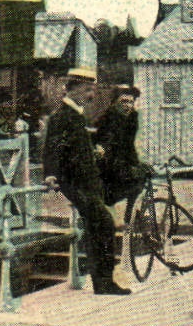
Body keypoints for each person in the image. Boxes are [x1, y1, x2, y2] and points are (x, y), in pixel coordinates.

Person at [43, 67, 130, 296]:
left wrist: (92, 151)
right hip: (75, 182)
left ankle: (103, 282)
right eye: (88, 89)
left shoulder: (75, 114)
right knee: (103, 223)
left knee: (99, 225)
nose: (91, 95)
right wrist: (50, 174)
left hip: (85, 181)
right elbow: (53, 148)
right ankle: (103, 282)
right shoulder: (62, 116)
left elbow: (73, 147)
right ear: (75, 89)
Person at [96, 84, 149, 217]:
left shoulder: (132, 118)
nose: (128, 105)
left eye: (131, 102)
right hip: (106, 164)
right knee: (112, 194)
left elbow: (129, 145)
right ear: (114, 103)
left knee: (142, 176)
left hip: (122, 161)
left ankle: (130, 216)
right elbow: (108, 144)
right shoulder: (107, 118)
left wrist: (136, 164)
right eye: (123, 101)